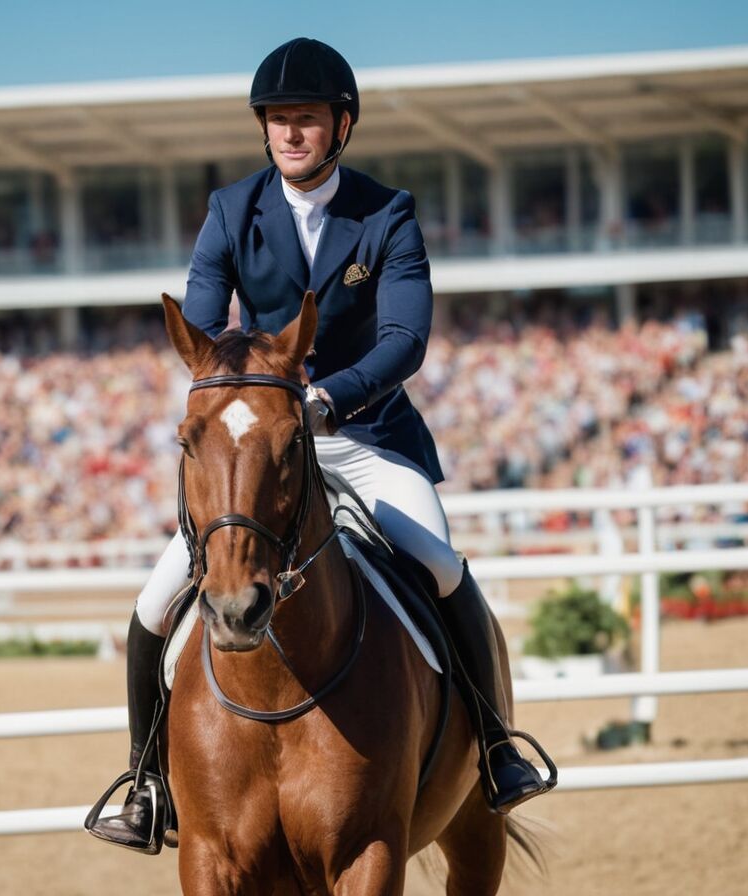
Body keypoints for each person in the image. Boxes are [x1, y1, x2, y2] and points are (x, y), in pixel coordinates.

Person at [88, 37, 552, 852]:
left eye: (306, 118)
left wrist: (330, 399)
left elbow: (405, 338)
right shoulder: (231, 210)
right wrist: (244, 394)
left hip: (365, 435)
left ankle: (494, 747)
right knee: (155, 604)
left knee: (441, 568)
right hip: (263, 442)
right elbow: (205, 325)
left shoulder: (386, 213)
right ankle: (145, 781)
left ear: (341, 125)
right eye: (278, 120)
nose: (290, 133)